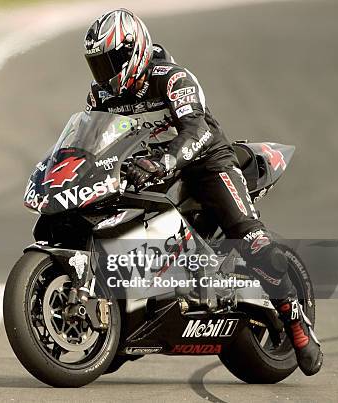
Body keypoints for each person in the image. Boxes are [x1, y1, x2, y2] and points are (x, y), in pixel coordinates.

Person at [83, 8, 322, 375]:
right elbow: (91, 140)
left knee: (251, 239)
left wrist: (165, 161)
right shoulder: (100, 96)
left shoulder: (173, 78)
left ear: (135, 50)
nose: (106, 73)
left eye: (112, 61)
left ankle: (294, 318)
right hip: (145, 170)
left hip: (205, 163)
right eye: (98, 65)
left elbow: (198, 130)